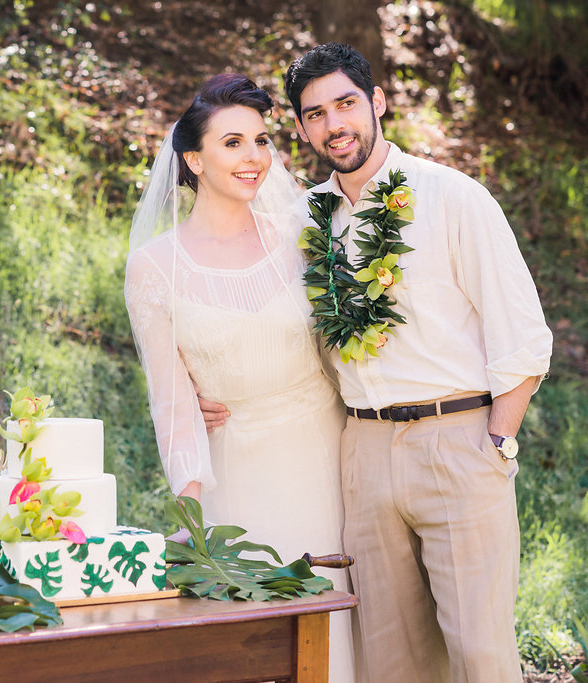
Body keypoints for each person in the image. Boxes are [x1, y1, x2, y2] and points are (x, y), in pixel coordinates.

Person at [201, 43, 552, 682]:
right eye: (316, 114)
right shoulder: (304, 220)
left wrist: (497, 442)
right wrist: (211, 385)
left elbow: (522, 336)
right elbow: (259, 321)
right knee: (388, 658)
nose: (336, 125)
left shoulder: (454, 199)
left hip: (458, 440)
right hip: (360, 450)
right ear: (302, 129)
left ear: (378, 102)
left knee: (480, 650)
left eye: (347, 104)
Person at [124, 73, 356, 682]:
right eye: (232, 143)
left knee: (337, 635)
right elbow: (171, 404)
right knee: (254, 646)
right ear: (193, 158)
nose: (253, 157)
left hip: (329, 462)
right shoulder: (154, 269)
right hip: (236, 473)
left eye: (260, 140)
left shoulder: (305, 239)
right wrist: (197, 525)